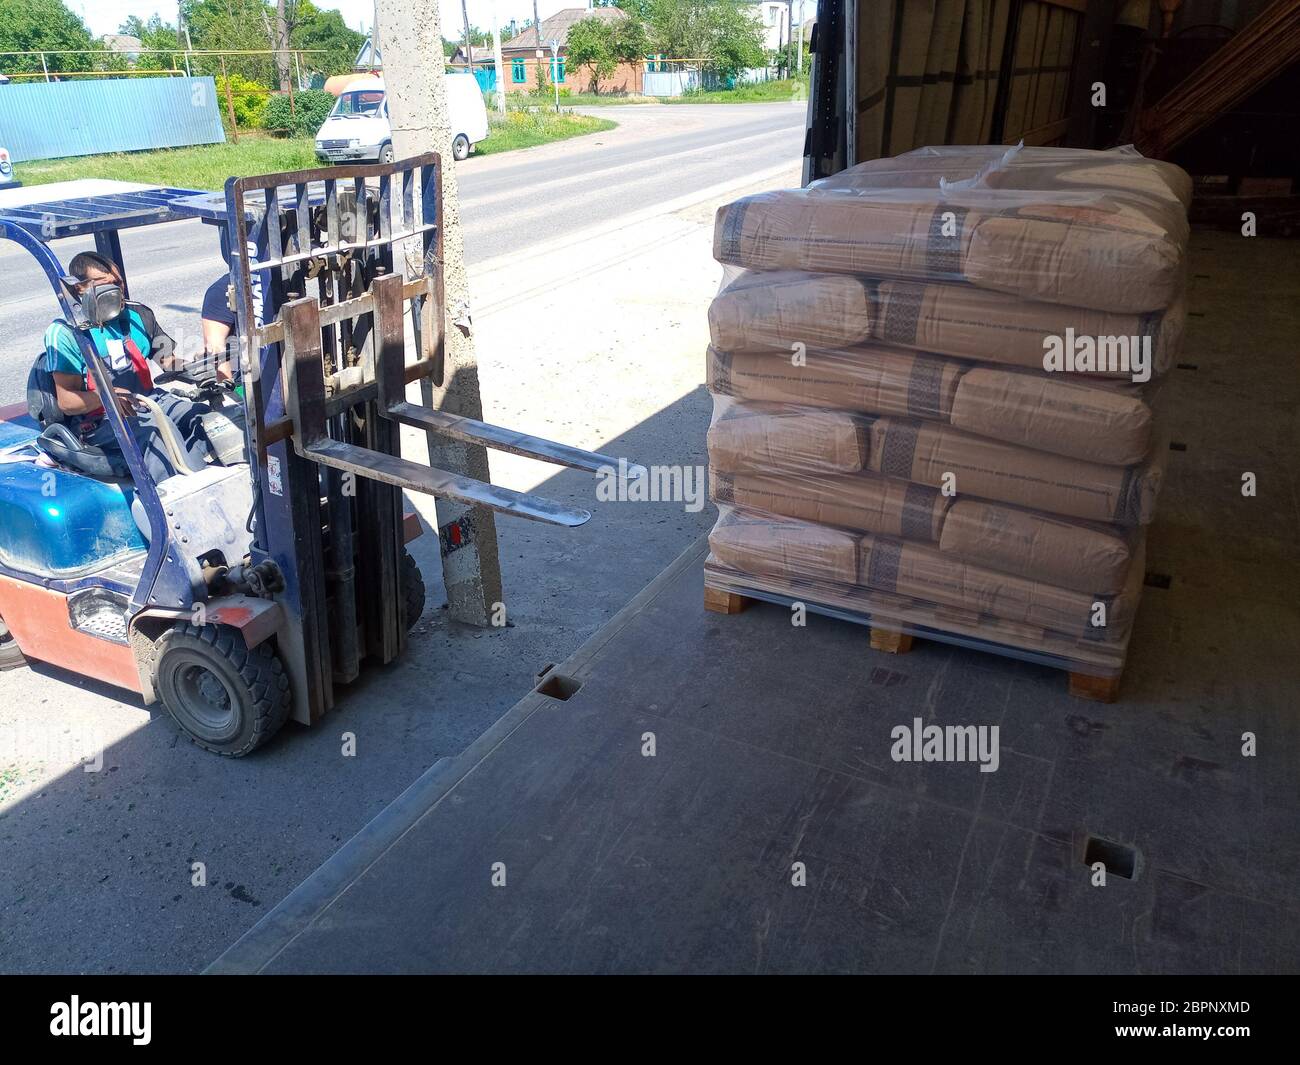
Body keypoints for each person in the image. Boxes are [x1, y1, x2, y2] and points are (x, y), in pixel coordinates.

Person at [40, 251, 214, 482]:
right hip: (98, 419)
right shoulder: (65, 333)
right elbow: (67, 401)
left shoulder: (138, 315)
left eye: (118, 282)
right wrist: (108, 397)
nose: (117, 290)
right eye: (106, 284)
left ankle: (207, 480)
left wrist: (198, 366)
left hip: (147, 400)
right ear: (79, 289)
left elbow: (167, 361)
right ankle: (176, 500)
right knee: (155, 432)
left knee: (202, 417)